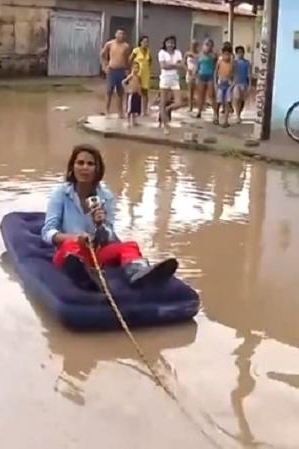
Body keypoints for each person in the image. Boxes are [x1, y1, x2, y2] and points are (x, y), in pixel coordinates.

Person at [41, 144, 178, 291]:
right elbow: (47, 232)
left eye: (90, 164)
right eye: (80, 163)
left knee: (129, 245)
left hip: (96, 252)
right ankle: (86, 277)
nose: (85, 168)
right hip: (70, 251)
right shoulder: (60, 194)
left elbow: (109, 237)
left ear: (97, 169)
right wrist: (74, 238)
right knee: (71, 249)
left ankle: (138, 273)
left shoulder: (106, 196)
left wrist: (100, 225)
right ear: (72, 167)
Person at [100, 29, 131, 118]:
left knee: (120, 92)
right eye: (119, 34)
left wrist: (128, 70)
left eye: (122, 34)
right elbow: (102, 55)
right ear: (115, 35)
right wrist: (104, 66)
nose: (120, 35)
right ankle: (107, 111)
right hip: (112, 69)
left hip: (121, 70)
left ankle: (120, 112)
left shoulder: (126, 46)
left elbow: (127, 59)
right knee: (109, 91)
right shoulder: (109, 44)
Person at [158, 36, 184, 135]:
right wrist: (175, 65)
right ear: (165, 43)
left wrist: (172, 65)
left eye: (172, 43)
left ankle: (168, 109)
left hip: (175, 79)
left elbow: (181, 65)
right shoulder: (162, 53)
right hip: (165, 79)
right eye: (168, 43)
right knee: (163, 102)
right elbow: (163, 66)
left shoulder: (178, 52)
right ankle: (165, 125)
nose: (170, 45)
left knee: (179, 102)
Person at [129, 35, 152, 115]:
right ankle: (133, 109)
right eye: (144, 41)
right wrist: (132, 70)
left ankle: (144, 111)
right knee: (135, 91)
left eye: (147, 42)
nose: (146, 43)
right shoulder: (136, 50)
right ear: (140, 42)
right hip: (137, 72)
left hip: (145, 73)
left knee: (145, 92)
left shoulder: (148, 51)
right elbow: (130, 59)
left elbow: (150, 61)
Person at [214, 43, 235, 127]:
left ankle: (226, 120)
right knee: (218, 102)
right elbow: (215, 72)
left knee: (227, 102)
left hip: (228, 84)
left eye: (228, 54)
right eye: (224, 54)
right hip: (220, 83)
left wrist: (232, 85)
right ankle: (216, 117)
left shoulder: (232, 62)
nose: (226, 56)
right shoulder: (219, 61)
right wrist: (215, 83)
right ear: (222, 54)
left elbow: (234, 74)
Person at [196, 38, 217, 121]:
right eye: (206, 44)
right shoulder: (200, 55)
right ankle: (199, 111)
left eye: (209, 45)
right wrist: (195, 75)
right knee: (201, 95)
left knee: (211, 95)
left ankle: (215, 113)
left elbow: (216, 65)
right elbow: (198, 66)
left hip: (210, 76)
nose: (208, 46)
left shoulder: (213, 55)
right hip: (201, 75)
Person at [233, 45, 251, 124]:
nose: (241, 54)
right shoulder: (234, 62)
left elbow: (249, 74)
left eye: (242, 52)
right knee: (237, 98)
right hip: (236, 83)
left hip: (244, 83)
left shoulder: (247, 62)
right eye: (239, 52)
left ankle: (239, 114)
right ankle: (237, 115)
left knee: (242, 100)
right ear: (236, 53)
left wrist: (250, 84)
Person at [122, 61, 142, 127]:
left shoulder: (138, 77)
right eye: (135, 68)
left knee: (134, 109)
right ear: (132, 68)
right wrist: (127, 89)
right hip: (131, 94)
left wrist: (139, 92)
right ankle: (128, 121)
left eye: (137, 68)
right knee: (129, 109)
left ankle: (134, 121)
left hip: (136, 94)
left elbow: (139, 85)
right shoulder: (130, 76)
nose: (136, 69)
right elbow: (123, 82)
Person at [184, 40, 200, 112]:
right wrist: (187, 69)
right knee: (190, 91)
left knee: (199, 91)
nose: (193, 46)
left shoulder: (199, 54)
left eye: (195, 45)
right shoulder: (187, 54)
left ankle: (200, 106)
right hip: (190, 72)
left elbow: (200, 63)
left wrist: (197, 71)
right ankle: (190, 107)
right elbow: (183, 63)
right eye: (192, 44)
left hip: (197, 73)